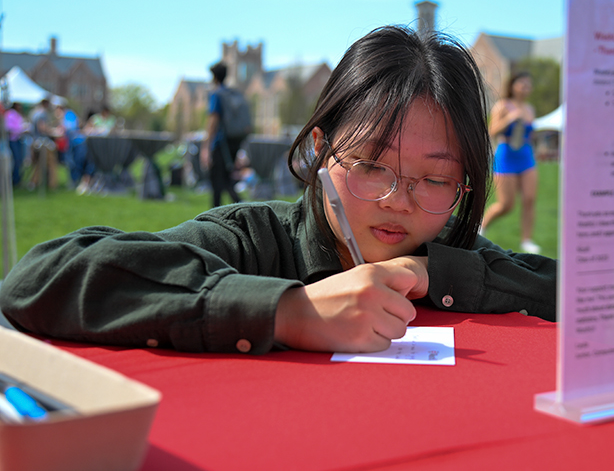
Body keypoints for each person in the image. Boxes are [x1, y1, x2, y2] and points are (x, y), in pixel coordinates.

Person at [0, 25, 556, 356]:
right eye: (368, 165)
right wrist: (288, 313)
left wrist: (437, 275)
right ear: (319, 147)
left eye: (434, 180)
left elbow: (600, 297)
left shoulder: (451, 254)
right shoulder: (252, 241)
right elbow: (39, 280)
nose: (396, 200)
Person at [481, 71, 541, 254]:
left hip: (526, 155)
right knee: (506, 205)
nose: (526, 88)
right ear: (513, 85)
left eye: (528, 85)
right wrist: (510, 119)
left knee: (530, 199)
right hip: (506, 155)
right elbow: (491, 131)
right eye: (522, 84)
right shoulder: (502, 106)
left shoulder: (530, 108)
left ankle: (526, 240)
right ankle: (481, 227)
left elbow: (530, 134)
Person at [201, 62, 244, 208]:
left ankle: (213, 215)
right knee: (227, 179)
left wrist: (206, 145)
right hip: (234, 141)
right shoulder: (233, 94)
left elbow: (213, 120)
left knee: (217, 182)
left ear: (214, 77)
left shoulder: (216, 95)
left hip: (220, 143)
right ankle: (243, 207)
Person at [28, 98, 62, 190]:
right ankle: (52, 184)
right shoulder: (42, 114)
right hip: (42, 142)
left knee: (40, 163)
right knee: (51, 163)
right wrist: (53, 131)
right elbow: (42, 127)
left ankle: (33, 183)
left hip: (35, 141)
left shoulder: (34, 113)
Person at [2, 102, 28, 187]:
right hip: (12, 140)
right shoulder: (10, 114)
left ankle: (17, 179)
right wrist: (20, 129)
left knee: (19, 160)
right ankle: (15, 180)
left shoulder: (15, 114)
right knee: (15, 160)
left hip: (18, 139)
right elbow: (8, 128)